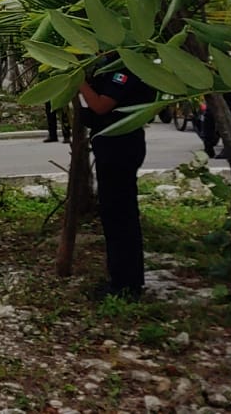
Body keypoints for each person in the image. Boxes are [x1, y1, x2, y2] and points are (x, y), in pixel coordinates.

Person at [77, 58, 155, 301]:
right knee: (114, 216)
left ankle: (126, 285)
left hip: (120, 148)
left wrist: (78, 82)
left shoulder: (125, 69)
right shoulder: (111, 69)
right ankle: (121, 279)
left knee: (121, 217)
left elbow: (101, 106)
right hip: (112, 147)